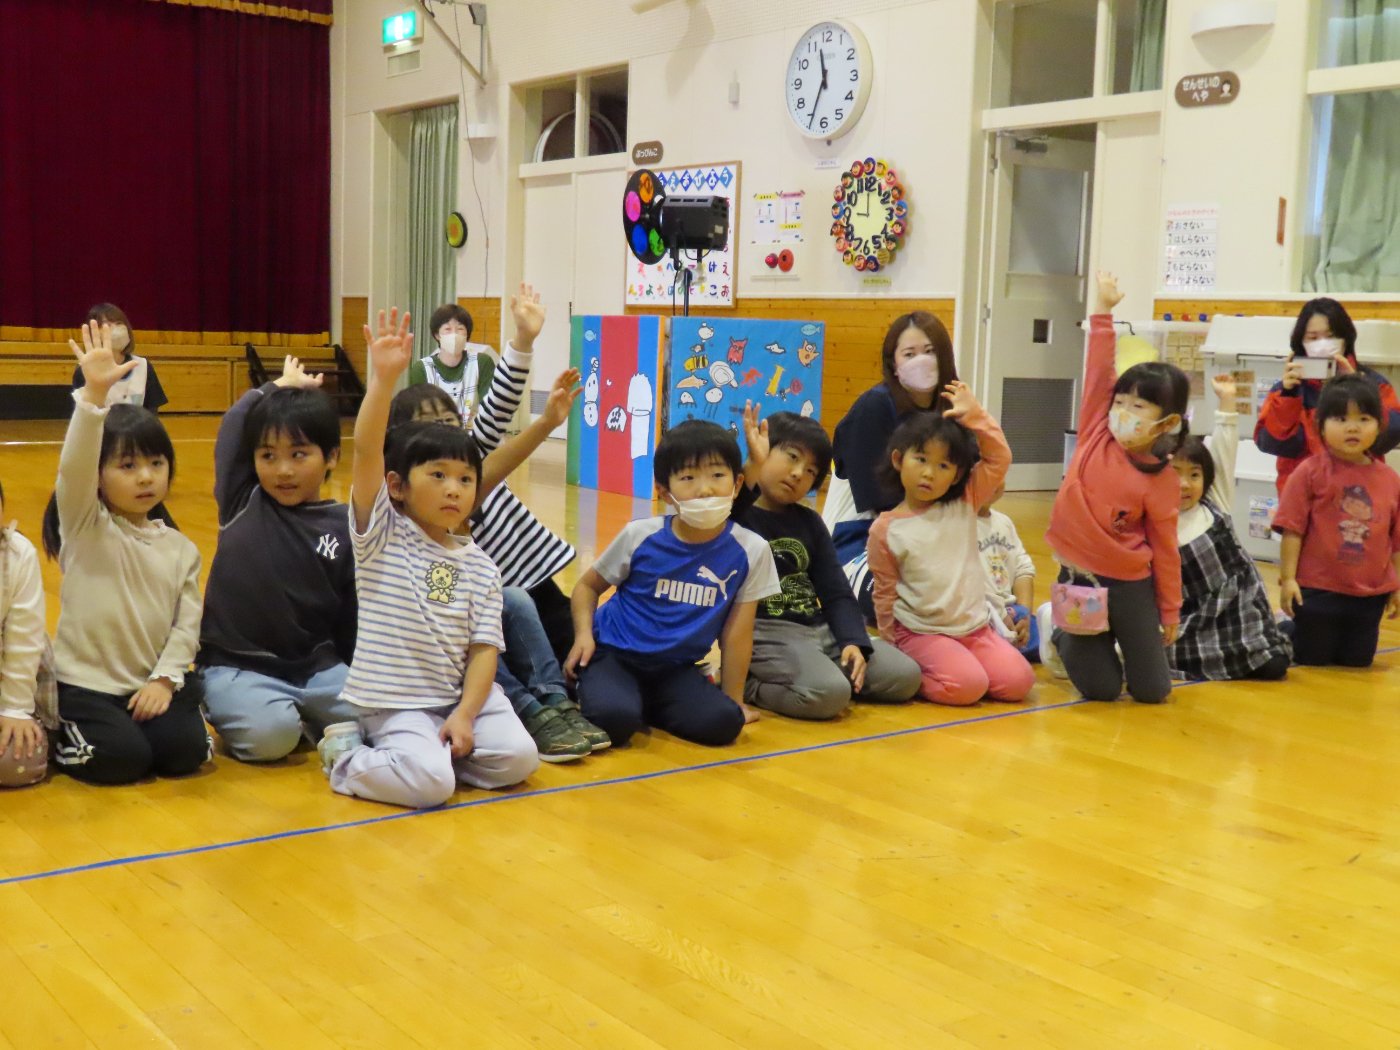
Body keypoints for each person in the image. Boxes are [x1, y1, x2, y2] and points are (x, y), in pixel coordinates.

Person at [318, 307, 539, 809]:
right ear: (397, 486)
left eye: (465, 479)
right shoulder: (381, 533)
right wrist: (382, 381)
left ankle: (430, 758)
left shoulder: (481, 565)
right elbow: (367, 451)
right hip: (396, 703)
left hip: (456, 700)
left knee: (519, 759)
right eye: (437, 475)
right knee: (432, 787)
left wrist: (465, 714)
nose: (453, 489)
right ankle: (349, 758)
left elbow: (484, 651)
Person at [388, 381, 609, 763]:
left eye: (448, 421)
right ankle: (528, 708)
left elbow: (494, 458)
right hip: (427, 643)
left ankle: (554, 699)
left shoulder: (455, 496)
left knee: (516, 600)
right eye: (427, 424)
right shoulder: (393, 507)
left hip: (528, 585)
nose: (454, 487)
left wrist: (547, 422)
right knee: (472, 630)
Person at [43, 321, 209, 784]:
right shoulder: (85, 526)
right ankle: (61, 733)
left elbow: (186, 626)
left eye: (156, 463)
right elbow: (74, 468)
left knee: (186, 753)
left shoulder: (181, 548)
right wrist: (94, 396)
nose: (145, 477)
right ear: (98, 477)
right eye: (128, 465)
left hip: (149, 685)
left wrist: (164, 679)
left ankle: (167, 718)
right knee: (121, 760)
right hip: (87, 689)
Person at [565, 421, 780, 747]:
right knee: (615, 721)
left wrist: (734, 699)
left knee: (725, 723)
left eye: (717, 475)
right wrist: (583, 636)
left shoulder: (752, 549)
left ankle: (640, 702)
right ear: (665, 491)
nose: (705, 489)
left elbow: (737, 634)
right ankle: (609, 692)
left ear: (737, 484)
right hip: (614, 654)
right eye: (688, 478)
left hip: (675, 669)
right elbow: (587, 587)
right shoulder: (641, 535)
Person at [402, 287, 577, 665]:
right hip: (484, 603)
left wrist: (523, 341)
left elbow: (499, 402)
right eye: (429, 424)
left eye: (448, 421)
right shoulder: (410, 490)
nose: (442, 432)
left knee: (577, 646)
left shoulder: (471, 452)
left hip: (529, 574)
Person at [198, 356, 361, 762]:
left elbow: (349, 616)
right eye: (268, 456)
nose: (283, 470)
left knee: (374, 718)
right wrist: (278, 386)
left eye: (299, 454)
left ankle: (305, 715)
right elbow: (233, 428)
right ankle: (233, 704)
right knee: (271, 739)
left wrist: (354, 674)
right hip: (238, 666)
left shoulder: (343, 525)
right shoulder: (242, 499)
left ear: (331, 457)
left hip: (315, 668)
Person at [1042, 272, 1188, 704]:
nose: (1122, 411)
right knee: (1102, 690)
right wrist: (1103, 312)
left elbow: (1166, 549)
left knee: (1153, 691)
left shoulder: (1162, 479)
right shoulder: (1095, 430)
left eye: (1138, 406)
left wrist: (1170, 610)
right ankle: (1062, 631)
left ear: (1166, 423)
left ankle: (1103, 638)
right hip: (1080, 577)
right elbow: (1099, 370)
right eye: (1120, 402)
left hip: (1130, 584)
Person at [734, 406, 921, 719]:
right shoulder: (736, 516)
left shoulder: (810, 522)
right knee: (829, 695)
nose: (798, 473)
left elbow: (836, 592)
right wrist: (752, 463)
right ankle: (751, 684)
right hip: (768, 633)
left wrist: (853, 642)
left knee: (905, 676)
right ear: (764, 451)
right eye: (792, 457)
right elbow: (732, 502)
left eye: (810, 471)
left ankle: (825, 673)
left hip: (818, 627)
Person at [866, 383, 1035, 707]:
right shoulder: (886, 529)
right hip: (920, 633)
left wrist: (976, 417)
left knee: (1019, 682)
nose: (929, 473)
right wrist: (891, 650)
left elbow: (999, 458)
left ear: (957, 476)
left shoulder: (965, 501)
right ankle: (925, 673)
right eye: (921, 459)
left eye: (943, 466)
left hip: (973, 629)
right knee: (968, 687)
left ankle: (958, 667)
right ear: (899, 459)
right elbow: (884, 594)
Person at [824, 311, 959, 619]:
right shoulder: (874, 407)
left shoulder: (955, 406)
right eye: (909, 354)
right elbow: (877, 498)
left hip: (936, 534)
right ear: (893, 364)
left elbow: (979, 479)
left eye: (929, 351)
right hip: (862, 536)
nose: (921, 361)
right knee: (913, 601)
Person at [1167, 374, 1292, 680]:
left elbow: (1224, 446)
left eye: (1194, 475)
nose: (1185, 484)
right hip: (1191, 620)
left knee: (1274, 666)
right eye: (1175, 473)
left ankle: (1284, 628)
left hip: (1239, 611)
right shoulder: (1154, 521)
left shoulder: (1214, 502)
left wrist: (1227, 399)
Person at [1273, 374, 1400, 668]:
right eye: (1341, 419)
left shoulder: (1390, 480)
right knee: (1312, 658)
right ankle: (1283, 629)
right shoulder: (1309, 472)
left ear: (1379, 425)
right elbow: (1292, 529)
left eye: (1364, 419)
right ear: (1320, 425)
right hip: (1318, 590)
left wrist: (1396, 586)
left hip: (1369, 595)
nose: (1352, 427)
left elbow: (1395, 541)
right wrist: (1289, 579)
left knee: (1357, 661)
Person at [1254, 297, 1400, 496]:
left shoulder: (1373, 383)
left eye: (1330, 336)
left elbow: (1390, 436)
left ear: (1345, 338)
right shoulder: (1285, 390)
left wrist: (1357, 389)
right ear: (1301, 342)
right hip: (1303, 498)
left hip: (1359, 497)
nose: (1322, 344)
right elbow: (1271, 443)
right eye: (1313, 338)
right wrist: (1288, 395)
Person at [0, 479, 55, 788]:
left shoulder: (17, 554)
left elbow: (24, 638)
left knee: (17, 761)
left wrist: (15, 709)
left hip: (9, 681)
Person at [977, 484, 1039, 661]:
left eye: (999, 476)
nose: (993, 482)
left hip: (1011, 611)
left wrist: (1025, 614)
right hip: (981, 615)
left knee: (1049, 635)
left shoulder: (1004, 522)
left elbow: (1023, 569)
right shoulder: (956, 524)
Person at [406, 302, 495, 427]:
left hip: (474, 434)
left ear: (467, 334)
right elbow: (419, 415)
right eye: (447, 329)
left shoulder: (482, 363)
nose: (454, 335)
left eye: (460, 329)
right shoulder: (422, 368)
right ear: (437, 335)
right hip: (434, 435)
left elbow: (490, 408)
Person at [70, 303, 168, 411]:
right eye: (107, 325)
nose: (115, 329)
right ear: (94, 332)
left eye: (119, 323)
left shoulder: (143, 366)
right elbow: (81, 413)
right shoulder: (85, 370)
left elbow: (151, 413)